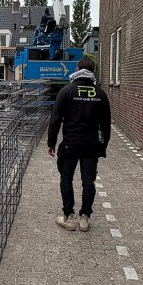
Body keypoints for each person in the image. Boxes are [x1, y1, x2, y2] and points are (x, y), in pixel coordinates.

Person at [47, 56, 111, 232]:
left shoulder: (66, 92)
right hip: (91, 146)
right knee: (88, 181)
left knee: (66, 178)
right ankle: (85, 218)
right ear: (92, 71)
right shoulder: (100, 94)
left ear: (77, 69)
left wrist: (51, 142)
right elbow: (106, 124)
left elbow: (55, 120)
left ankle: (69, 217)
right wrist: (103, 146)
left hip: (70, 144)